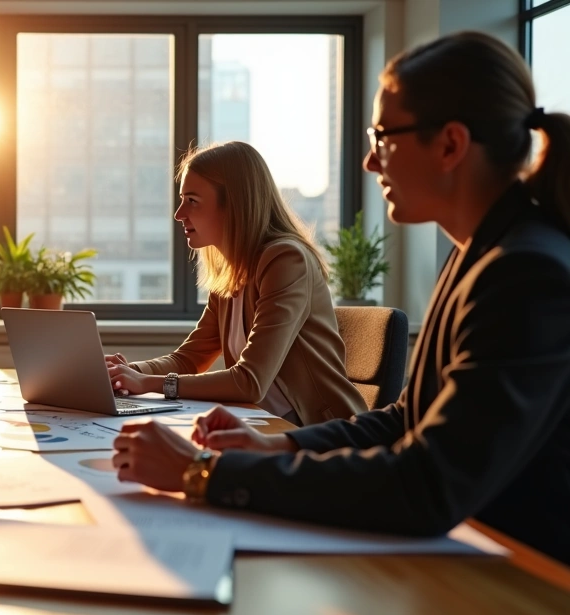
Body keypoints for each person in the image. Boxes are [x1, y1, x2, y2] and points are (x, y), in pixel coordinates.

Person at [111, 31, 570, 565]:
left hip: (526, 580)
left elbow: (426, 485)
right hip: (471, 553)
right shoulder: (481, 254)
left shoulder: (526, 273)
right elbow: (406, 419)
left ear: (450, 145)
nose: (370, 162)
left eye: (383, 137)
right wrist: (279, 444)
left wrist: (204, 472)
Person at [106, 141, 366, 425]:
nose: (179, 214)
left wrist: (148, 383)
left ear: (234, 205)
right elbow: (189, 358)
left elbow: (249, 381)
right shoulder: (231, 272)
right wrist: (128, 372)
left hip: (322, 433)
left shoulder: (286, 261)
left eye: (192, 201)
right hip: (264, 424)